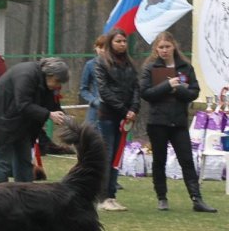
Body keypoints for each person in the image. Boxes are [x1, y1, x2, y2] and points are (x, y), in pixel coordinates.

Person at [139, 31, 217, 213]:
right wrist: (166, 86)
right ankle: (162, 197)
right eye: (161, 47)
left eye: (167, 46)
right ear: (156, 49)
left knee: (187, 160)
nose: (164, 50)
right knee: (159, 161)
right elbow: (146, 93)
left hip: (179, 122)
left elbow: (194, 92)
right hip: (157, 122)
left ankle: (197, 199)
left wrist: (178, 90)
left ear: (174, 46)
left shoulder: (185, 67)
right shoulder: (151, 68)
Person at [0, 57, 68, 183]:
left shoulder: (47, 84)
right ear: (49, 74)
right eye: (57, 81)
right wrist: (49, 115)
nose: (58, 85)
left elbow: (51, 104)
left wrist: (64, 118)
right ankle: (1, 200)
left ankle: (24, 198)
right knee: (1, 164)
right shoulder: (26, 74)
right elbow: (23, 104)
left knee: (24, 163)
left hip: (19, 125)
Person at [93, 28, 140, 211]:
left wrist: (134, 108)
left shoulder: (130, 63)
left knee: (117, 157)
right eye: (118, 41)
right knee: (108, 154)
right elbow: (104, 90)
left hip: (125, 116)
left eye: (124, 41)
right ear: (110, 43)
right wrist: (123, 110)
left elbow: (136, 88)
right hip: (108, 116)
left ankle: (112, 195)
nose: (122, 44)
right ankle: (102, 196)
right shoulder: (101, 62)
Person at [79, 35, 107, 125]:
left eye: (105, 47)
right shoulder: (89, 65)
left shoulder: (116, 65)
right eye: (100, 47)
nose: (102, 50)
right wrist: (94, 101)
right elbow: (83, 89)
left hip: (113, 110)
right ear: (95, 48)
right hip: (95, 111)